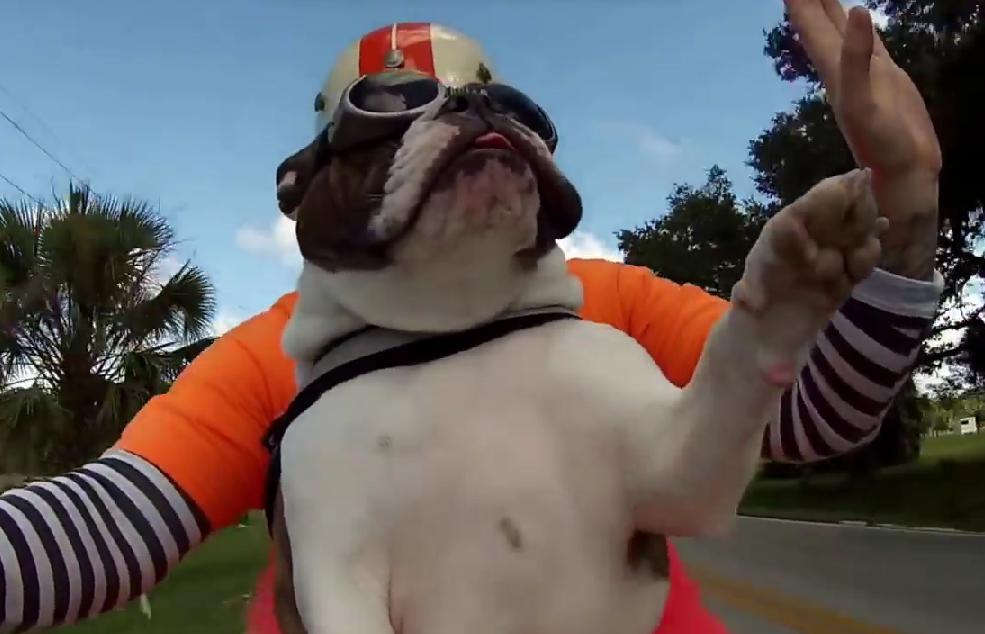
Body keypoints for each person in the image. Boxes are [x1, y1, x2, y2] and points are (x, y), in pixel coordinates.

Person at [0, 2, 944, 632]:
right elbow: (109, 525)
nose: (462, 132)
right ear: (304, 192)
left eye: (490, 113)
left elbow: (810, 413)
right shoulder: (277, 358)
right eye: (396, 122)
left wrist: (904, 204)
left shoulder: (601, 302)